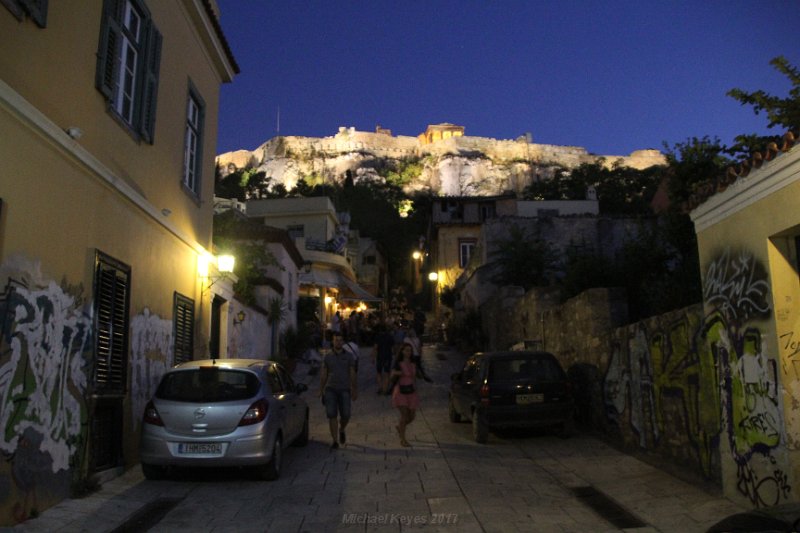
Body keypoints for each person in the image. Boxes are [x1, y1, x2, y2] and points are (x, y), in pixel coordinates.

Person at [319, 332, 358, 449]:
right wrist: (321, 389)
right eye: (336, 340)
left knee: (346, 414)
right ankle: (335, 440)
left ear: (343, 342)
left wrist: (354, 388)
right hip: (330, 389)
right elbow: (324, 374)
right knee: (332, 415)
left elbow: (352, 373)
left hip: (344, 389)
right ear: (333, 341)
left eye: (340, 340)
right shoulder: (328, 356)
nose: (338, 342)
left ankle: (342, 429)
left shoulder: (349, 356)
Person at [390, 343, 419, 447]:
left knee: (412, 416)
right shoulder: (398, 363)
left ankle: (400, 427)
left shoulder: (413, 362)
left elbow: (414, 377)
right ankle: (403, 439)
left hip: (411, 391)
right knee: (404, 415)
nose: (408, 352)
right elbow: (392, 374)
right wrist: (400, 373)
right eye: (406, 350)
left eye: (410, 350)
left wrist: (416, 388)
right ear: (402, 351)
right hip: (401, 391)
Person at [371, 323, 394, 394]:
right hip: (387, 356)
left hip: (380, 357)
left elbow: (375, 348)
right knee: (387, 373)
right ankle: (385, 389)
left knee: (379, 373)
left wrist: (373, 357)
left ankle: (380, 388)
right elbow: (393, 348)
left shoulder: (377, 337)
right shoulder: (390, 336)